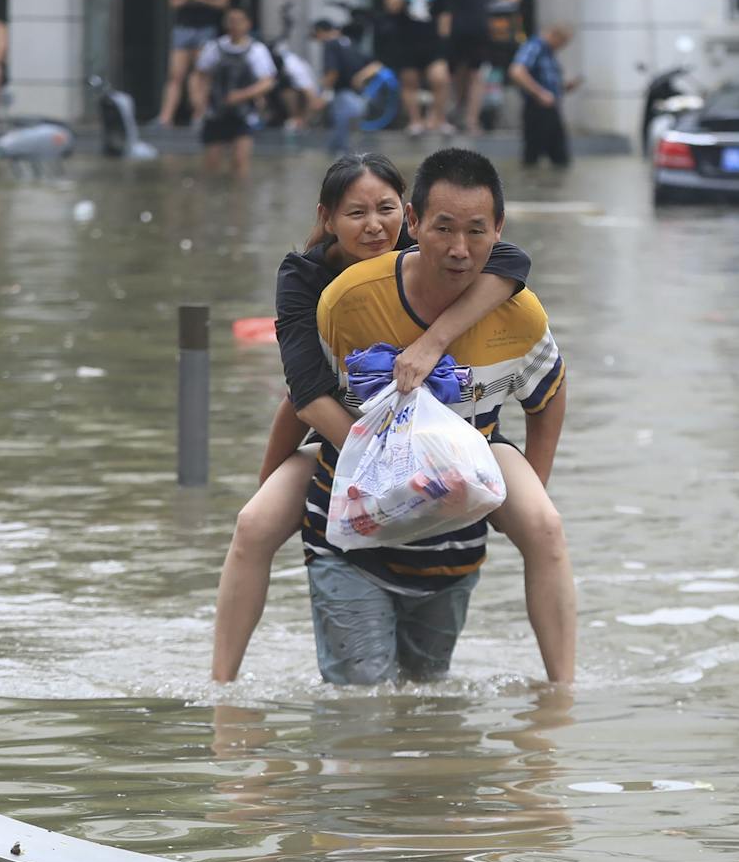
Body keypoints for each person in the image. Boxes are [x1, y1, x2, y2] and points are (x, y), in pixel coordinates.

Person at [211, 152, 575, 685]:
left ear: (405, 216)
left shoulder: (447, 253)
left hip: (461, 433)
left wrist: (433, 341)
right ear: (327, 219)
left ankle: (562, 692)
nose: (373, 227)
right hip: (347, 431)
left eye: (384, 209)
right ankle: (222, 687)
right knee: (253, 523)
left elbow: (512, 263)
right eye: (355, 213)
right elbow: (303, 396)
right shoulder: (316, 285)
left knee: (544, 525)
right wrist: (386, 458)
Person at [440, 0, 519, 135]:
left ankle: (472, 119)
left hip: (482, 27)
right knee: (456, 72)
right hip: (458, 28)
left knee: (478, 73)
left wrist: (497, 3)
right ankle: (456, 111)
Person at [193, 7, 277, 178]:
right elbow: (200, 75)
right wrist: (197, 99)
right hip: (216, 111)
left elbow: (267, 81)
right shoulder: (213, 47)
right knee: (211, 164)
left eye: (239, 21)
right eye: (231, 20)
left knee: (240, 162)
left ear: (248, 24)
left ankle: (240, 192)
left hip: (244, 113)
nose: (234, 25)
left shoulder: (257, 50)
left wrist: (243, 95)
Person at [383, 0, 453, 137]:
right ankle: (415, 121)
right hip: (406, 42)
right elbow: (392, 8)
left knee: (440, 79)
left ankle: (438, 119)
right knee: (410, 83)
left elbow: (444, 15)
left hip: (432, 41)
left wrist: (444, 41)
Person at [157, 0, 230, 127]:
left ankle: (199, 113)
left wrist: (205, 0)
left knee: (200, 73)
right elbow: (173, 1)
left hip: (205, 28)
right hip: (184, 28)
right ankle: (166, 116)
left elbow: (224, 2)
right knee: (176, 75)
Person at [509, 23, 580, 167]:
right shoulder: (535, 46)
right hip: (537, 108)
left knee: (560, 157)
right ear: (555, 36)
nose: (562, 47)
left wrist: (564, 87)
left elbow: (548, 83)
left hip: (551, 108)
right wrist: (539, 93)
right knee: (533, 156)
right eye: (563, 42)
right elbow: (516, 71)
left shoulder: (549, 53)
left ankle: (543, 179)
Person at [311, 19, 382, 155]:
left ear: (320, 32)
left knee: (340, 141)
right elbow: (376, 65)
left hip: (344, 95)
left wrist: (323, 94)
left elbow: (332, 72)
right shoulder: (349, 42)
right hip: (359, 97)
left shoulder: (331, 44)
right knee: (350, 137)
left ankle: (338, 157)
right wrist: (360, 77)